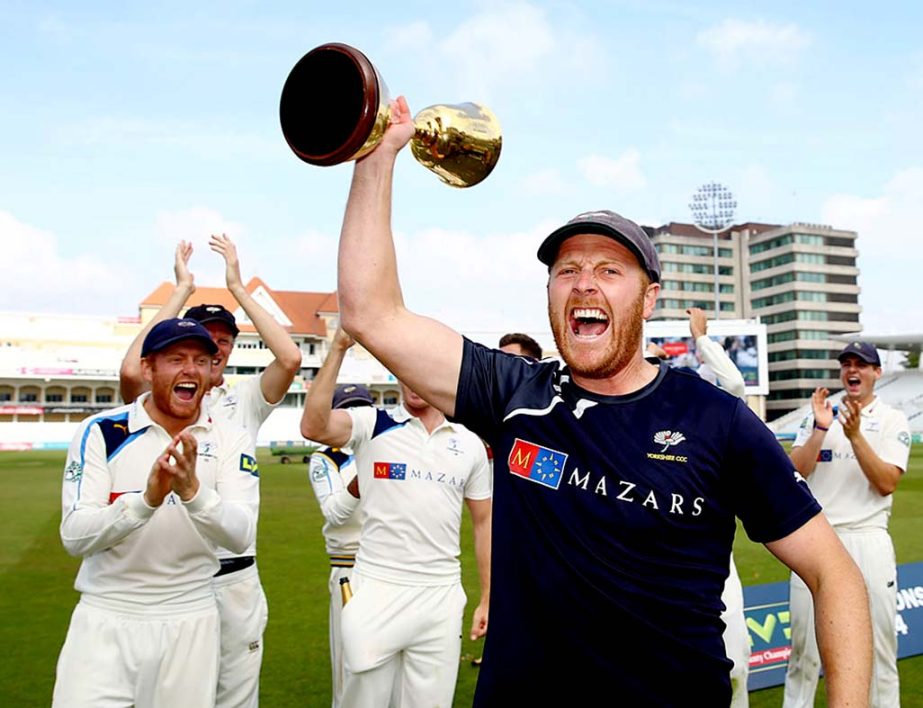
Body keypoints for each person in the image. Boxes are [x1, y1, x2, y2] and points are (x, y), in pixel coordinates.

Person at [331, 95, 873, 705]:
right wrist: (378, 156)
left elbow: (836, 575)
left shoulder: (717, 420)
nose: (584, 282)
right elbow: (372, 313)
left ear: (648, 299)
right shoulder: (515, 393)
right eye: (567, 270)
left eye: (610, 271)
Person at [120, 234, 301, 708]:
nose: (217, 349)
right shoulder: (160, 399)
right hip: (175, 576)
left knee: (236, 698)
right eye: (203, 344)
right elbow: (130, 370)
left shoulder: (243, 398)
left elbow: (290, 358)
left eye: (224, 342)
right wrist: (180, 289)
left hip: (236, 576)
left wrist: (238, 288)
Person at [53, 318, 259, 707]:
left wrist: (194, 493)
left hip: (191, 617)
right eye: (176, 359)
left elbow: (240, 534)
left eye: (201, 360)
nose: (190, 370)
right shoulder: (102, 430)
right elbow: (75, 535)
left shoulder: (231, 437)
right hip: (106, 615)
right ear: (147, 368)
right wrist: (144, 502)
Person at [301, 327, 492, 708]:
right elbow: (313, 427)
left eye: (422, 369)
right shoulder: (372, 423)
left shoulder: (469, 441)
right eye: (405, 370)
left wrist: (488, 596)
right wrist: (338, 348)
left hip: (440, 596)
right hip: (377, 588)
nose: (414, 380)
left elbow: (484, 521)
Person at [784, 341, 911, 708]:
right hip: (816, 542)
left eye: (862, 364)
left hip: (867, 540)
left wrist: (855, 436)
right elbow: (795, 470)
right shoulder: (819, 415)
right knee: (804, 655)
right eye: (847, 364)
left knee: (878, 652)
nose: (852, 370)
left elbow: (886, 482)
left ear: (876, 373)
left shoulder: (891, 419)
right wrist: (822, 429)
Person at [303, 328, 374, 708]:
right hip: (348, 568)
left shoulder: (383, 447)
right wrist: (361, 480)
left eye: (362, 409)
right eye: (348, 411)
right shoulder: (325, 458)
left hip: (389, 567)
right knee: (350, 669)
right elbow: (333, 512)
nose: (356, 418)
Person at [686, 306, 750, 707]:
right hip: (666, 569)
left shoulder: (715, 423)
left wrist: (701, 338)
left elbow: (733, 382)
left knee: (737, 669)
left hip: (719, 567)